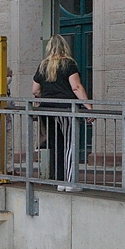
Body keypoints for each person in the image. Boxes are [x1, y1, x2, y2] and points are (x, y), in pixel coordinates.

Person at [32, 35, 91, 183]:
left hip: (47, 111)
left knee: (57, 145)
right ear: (65, 47)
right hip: (66, 109)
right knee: (70, 144)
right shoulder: (68, 64)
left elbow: (35, 90)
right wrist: (88, 106)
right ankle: (70, 181)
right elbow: (76, 87)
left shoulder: (43, 65)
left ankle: (59, 180)